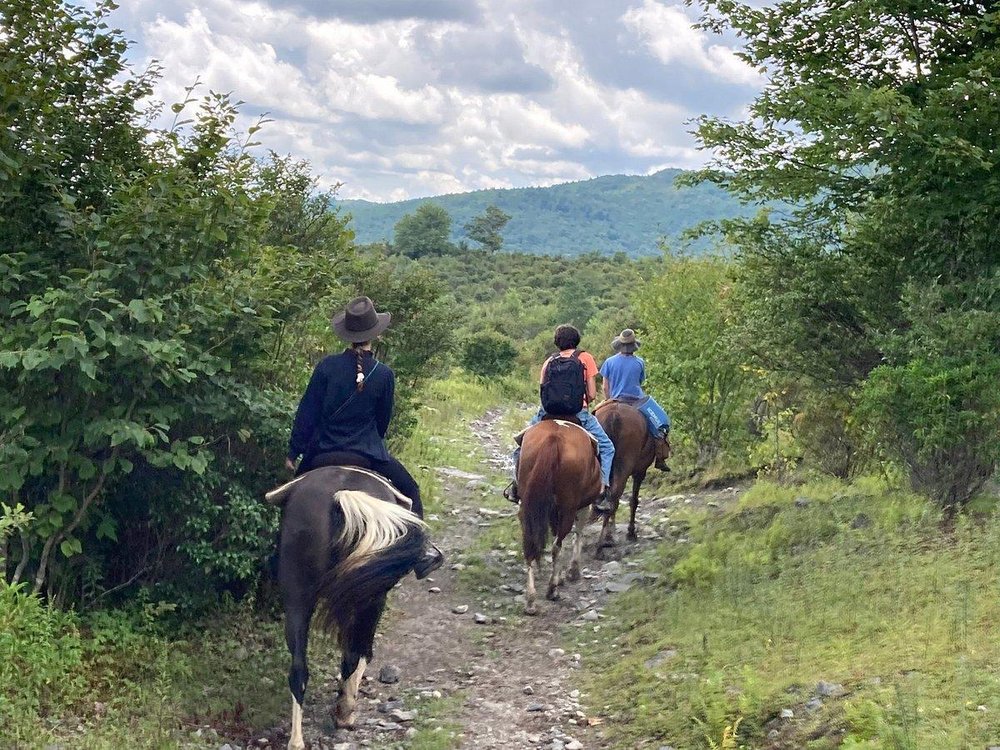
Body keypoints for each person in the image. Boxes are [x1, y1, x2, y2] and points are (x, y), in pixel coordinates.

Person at [285, 295, 443, 579]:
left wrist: (293, 452)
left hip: (321, 454)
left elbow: (307, 412)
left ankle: (279, 555)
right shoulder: (384, 374)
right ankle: (419, 553)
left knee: (290, 500)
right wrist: (370, 440)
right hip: (367, 454)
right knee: (412, 490)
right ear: (375, 333)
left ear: (347, 333)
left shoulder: (326, 367)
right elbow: (382, 423)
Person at [505, 324, 615, 514]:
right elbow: (591, 393)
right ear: (577, 340)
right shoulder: (585, 358)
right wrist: (582, 402)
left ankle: (516, 485)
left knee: (520, 447)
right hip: (578, 413)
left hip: (547, 412)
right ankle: (602, 492)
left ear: (557, 342)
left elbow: (542, 389)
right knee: (607, 447)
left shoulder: (549, 361)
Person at [598, 329, 672, 471]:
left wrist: (608, 400)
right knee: (661, 422)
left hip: (613, 399)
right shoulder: (639, 362)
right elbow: (640, 382)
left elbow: (606, 386)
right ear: (634, 346)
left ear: (619, 344)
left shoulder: (609, 362)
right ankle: (660, 457)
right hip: (636, 401)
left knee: (592, 418)